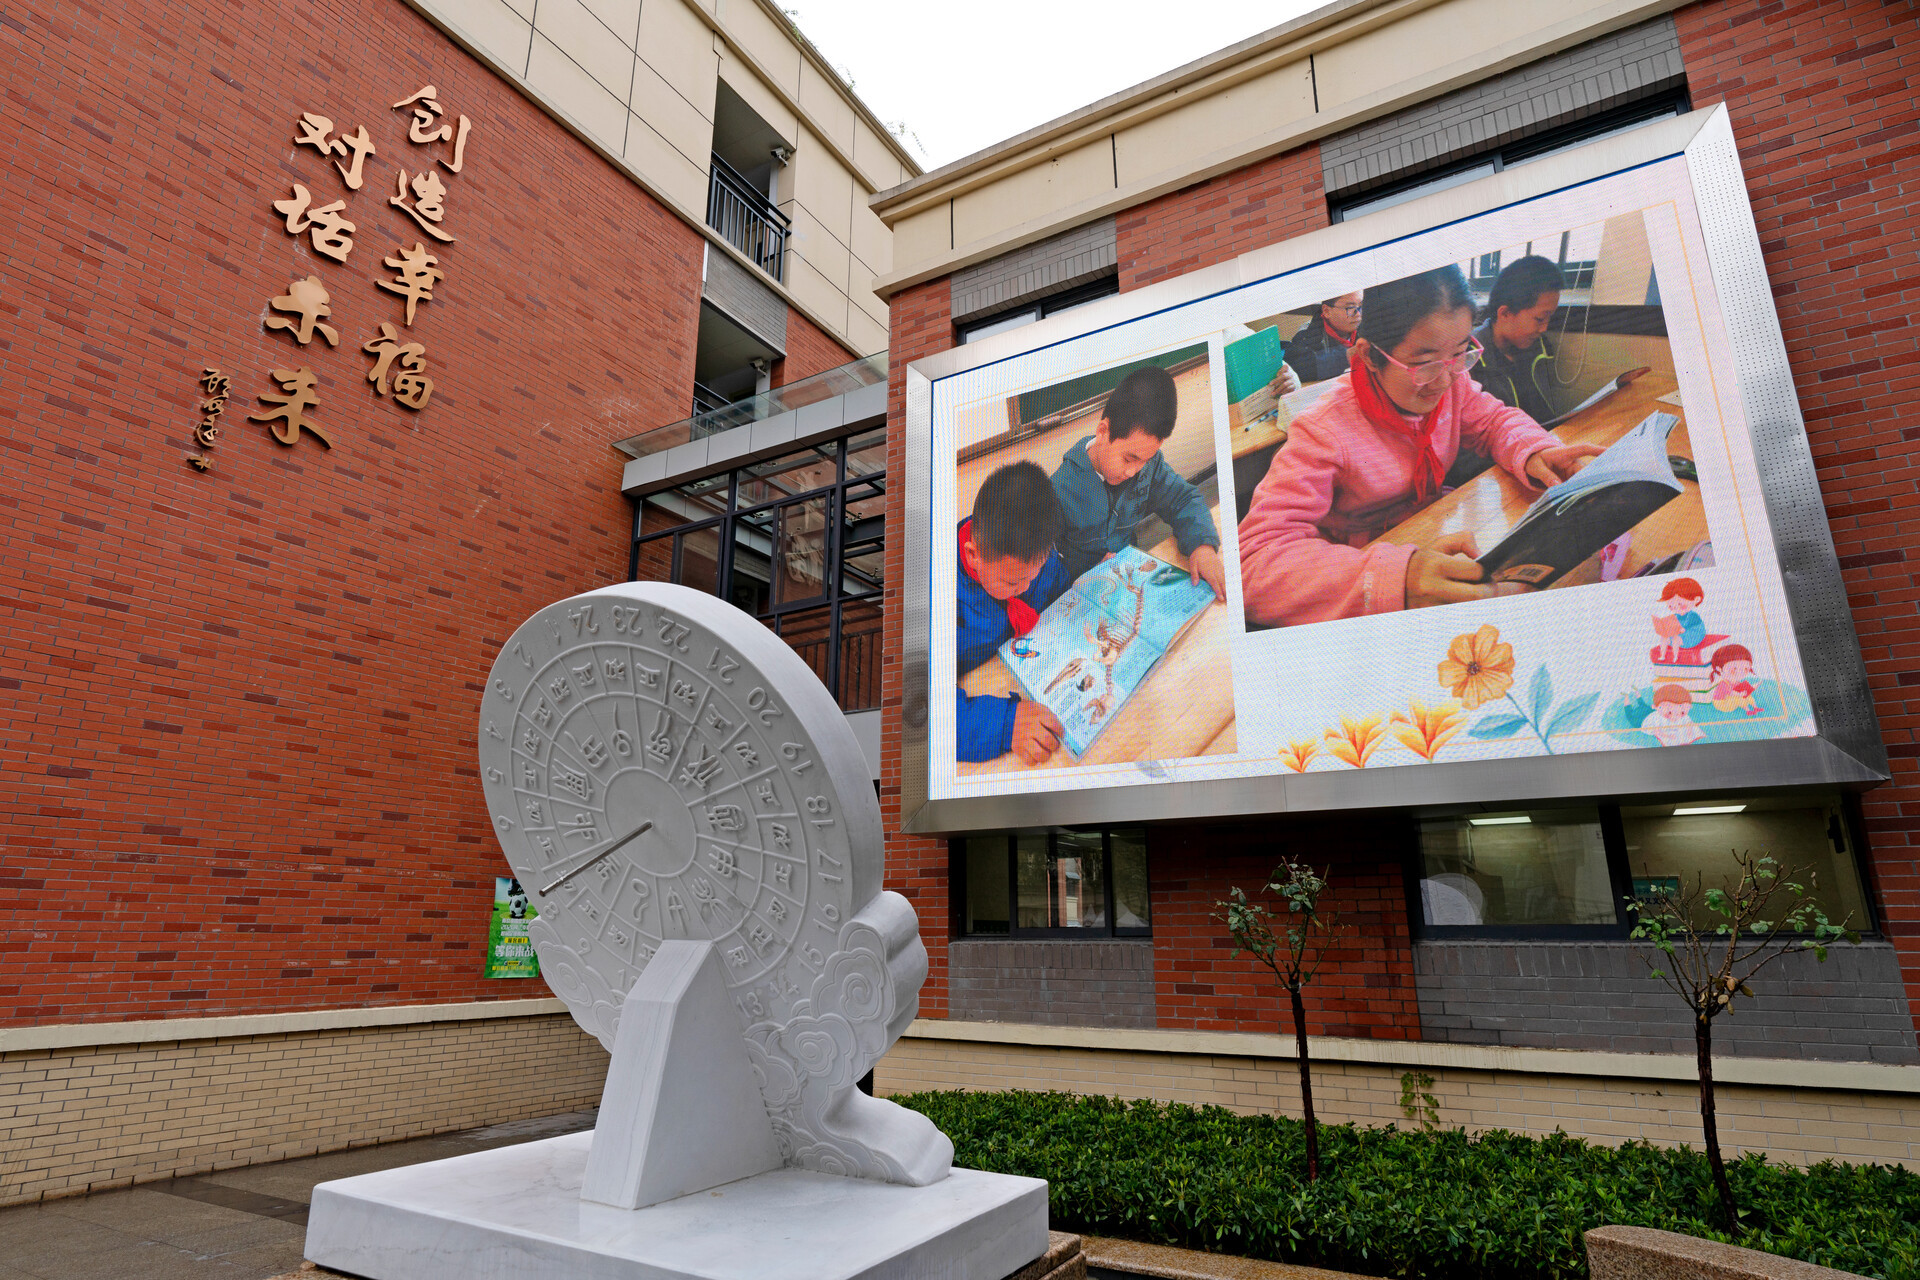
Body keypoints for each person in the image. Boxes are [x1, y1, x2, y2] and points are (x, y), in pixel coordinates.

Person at [1237, 264, 1602, 627]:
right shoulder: (1325, 429)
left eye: (1460, 353)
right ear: (1368, 355)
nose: (1445, 380)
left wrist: (1536, 449)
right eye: (1424, 363)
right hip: (1359, 573)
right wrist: (1396, 579)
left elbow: (1493, 420)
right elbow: (1253, 562)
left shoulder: (1452, 382)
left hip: (1432, 533)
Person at [1049, 364, 1226, 598]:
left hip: (1128, 580)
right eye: (1128, 459)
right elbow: (1042, 567)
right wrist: (1082, 573)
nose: (1134, 472)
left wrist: (1202, 545)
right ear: (1103, 431)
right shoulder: (1059, 492)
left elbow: (1183, 499)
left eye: (1145, 460)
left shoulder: (1148, 466)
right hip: (1081, 594)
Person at [957, 461, 1074, 765]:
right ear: (973, 555)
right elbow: (918, 707)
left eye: (1032, 576)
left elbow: (1058, 589)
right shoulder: (936, 598)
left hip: (1034, 671)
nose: (1025, 588)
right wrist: (1005, 725)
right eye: (1012, 582)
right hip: (988, 693)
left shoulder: (1032, 554)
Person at [1472, 255, 1568, 424]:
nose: (1544, 328)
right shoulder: (1471, 358)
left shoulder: (1539, 347)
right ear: (1505, 314)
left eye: (1549, 318)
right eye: (1539, 319)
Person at [1284, 292, 1363, 383]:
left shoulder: (1367, 326)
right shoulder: (1306, 334)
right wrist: (1347, 356)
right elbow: (1295, 368)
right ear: (1326, 311)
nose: (1358, 314)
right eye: (1350, 308)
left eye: (1361, 306)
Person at [1708, 643, 1761, 716]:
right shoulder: (1723, 684)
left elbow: (1742, 690)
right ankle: (1748, 710)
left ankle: (1755, 707)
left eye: (1745, 669)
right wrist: (1740, 694)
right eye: (1734, 669)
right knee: (1739, 698)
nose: (1740, 672)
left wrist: (1752, 688)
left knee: (1747, 696)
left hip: (1730, 702)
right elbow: (1731, 693)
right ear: (1719, 669)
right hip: (1721, 704)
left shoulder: (1737, 682)